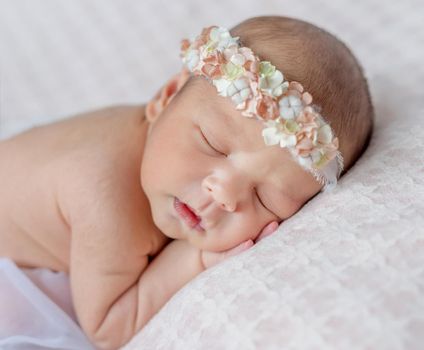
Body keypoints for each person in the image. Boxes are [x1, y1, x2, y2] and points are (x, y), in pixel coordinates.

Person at [0, 16, 374, 349]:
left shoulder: (160, 143)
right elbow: (107, 330)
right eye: (212, 144)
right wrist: (193, 258)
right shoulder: (103, 196)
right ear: (164, 99)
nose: (224, 193)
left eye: (266, 199)